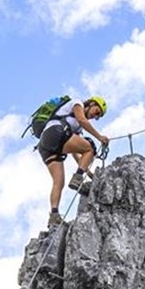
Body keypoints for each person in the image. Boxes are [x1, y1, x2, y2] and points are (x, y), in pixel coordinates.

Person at [39, 96, 109, 226]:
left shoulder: (76, 128)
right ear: (92, 103)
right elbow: (82, 120)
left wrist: (88, 173)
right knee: (90, 147)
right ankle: (77, 178)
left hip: (46, 145)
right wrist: (99, 137)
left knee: (58, 183)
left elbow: (76, 153)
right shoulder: (77, 104)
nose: (95, 116)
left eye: (98, 117)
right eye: (97, 112)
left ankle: (54, 215)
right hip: (56, 132)